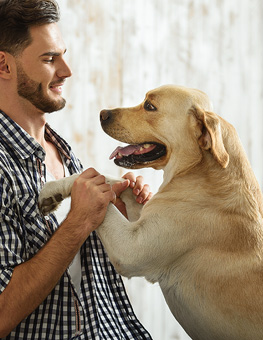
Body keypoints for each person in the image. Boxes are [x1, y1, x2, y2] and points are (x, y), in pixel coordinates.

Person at [0, 0, 153, 339]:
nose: (67, 70)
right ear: (4, 65)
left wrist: (123, 221)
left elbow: (83, 281)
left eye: (63, 55)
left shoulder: (66, 155)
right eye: (49, 59)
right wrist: (80, 221)